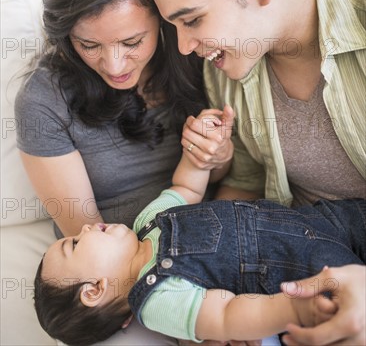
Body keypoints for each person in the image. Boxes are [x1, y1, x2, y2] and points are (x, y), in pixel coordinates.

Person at [134, 0, 366, 345]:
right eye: (174, 27)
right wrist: (220, 293)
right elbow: (246, 184)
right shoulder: (228, 68)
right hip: (305, 266)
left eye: (193, 20)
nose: (183, 47)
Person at [14, 0, 234, 345]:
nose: (114, 65)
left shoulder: (192, 53)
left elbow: (230, 178)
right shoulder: (44, 101)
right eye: (89, 45)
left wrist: (216, 154)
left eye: (132, 41)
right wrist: (197, 319)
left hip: (212, 237)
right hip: (130, 281)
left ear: (162, 18)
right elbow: (95, 243)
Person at [34, 140, 365, 346]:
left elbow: (186, 190)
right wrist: (293, 309)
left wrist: (198, 156)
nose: (86, 228)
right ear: (94, 289)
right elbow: (226, 315)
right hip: (310, 273)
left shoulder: (146, 224)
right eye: (74, 244)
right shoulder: (156, 301)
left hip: (321, 220)